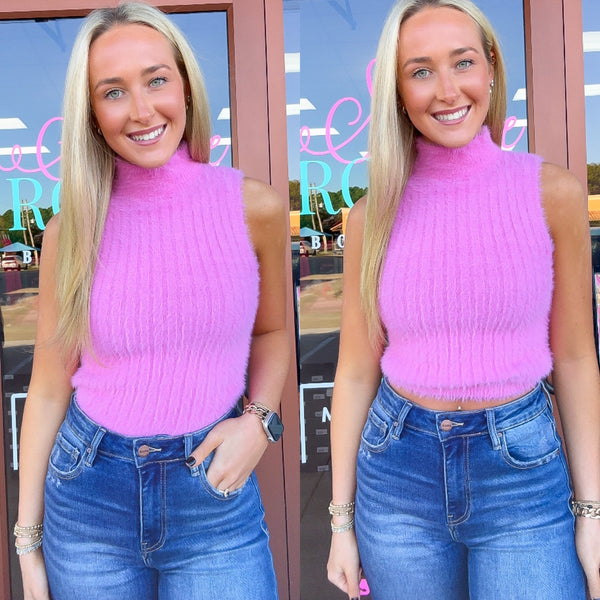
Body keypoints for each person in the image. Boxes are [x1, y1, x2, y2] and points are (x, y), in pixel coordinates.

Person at [326, 1, 600, 598]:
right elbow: (355, 372)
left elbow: (577, 359)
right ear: (398, 91)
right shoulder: (371, 217)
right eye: (421, 71)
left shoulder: (552, 194)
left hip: (522, 473)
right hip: (396, 476)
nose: (447, 90)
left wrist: (592, 513)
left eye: (464, 62)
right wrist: (340, 524)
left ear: (492, 67)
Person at [15, 3, 289, 599]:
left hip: (212, 493)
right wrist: (28, 541)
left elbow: (272, 333)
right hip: (89, 498)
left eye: (156, 80)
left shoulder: (255, 208)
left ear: (185, 86)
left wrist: (260, 423)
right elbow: (50, 386)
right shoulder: (70, 232)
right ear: (92, 113)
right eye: (114, 92)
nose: (141, 110)